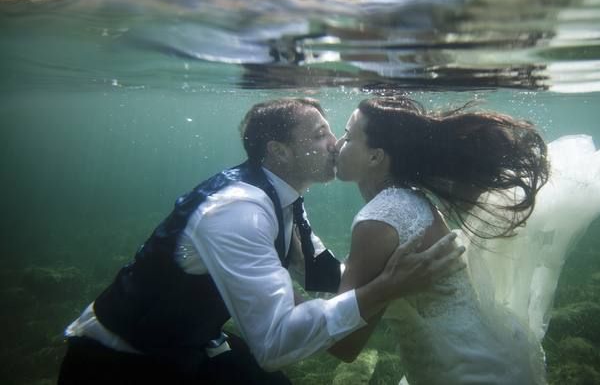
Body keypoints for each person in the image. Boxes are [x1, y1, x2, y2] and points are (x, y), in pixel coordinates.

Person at [58, 97, 464, 385]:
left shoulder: (284, 198)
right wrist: (387, 288)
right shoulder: (241, 211)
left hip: (189, 345)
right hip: (115, 360)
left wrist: (392, 274)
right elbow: (273, 344)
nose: (335, 145)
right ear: (279, 151)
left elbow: (321, 271)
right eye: (321, 134)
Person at [331, 97, 600, 385]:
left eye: (347, 137)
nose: (336, 144)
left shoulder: (379, 219)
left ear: (376, 157)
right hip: (486, 362)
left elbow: (344, 345)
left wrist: (292, 301)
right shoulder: (411, 199)